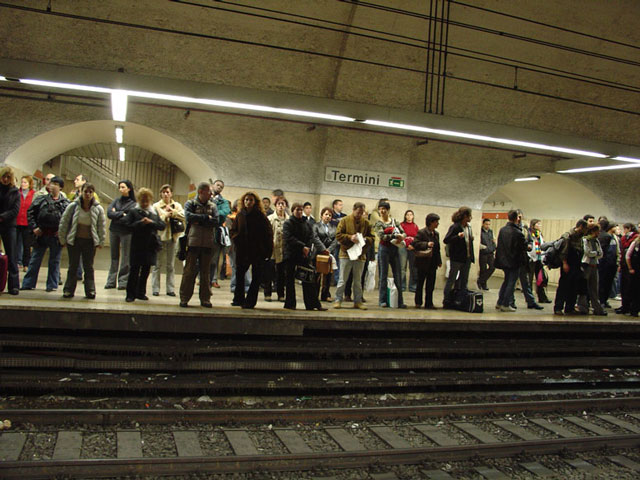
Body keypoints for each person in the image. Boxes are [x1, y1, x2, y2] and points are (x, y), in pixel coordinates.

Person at [21, 175, 69, 292]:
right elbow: (31, 214)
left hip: (55, 236)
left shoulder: (65, 203)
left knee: (55, 261)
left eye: (55, 184)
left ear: (61, 188)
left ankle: (52, 285)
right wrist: (34, 228)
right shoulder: (40, 200)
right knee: (35, 259)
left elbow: (69, 220)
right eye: (51, 184)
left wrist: (62, 232)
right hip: (41, 234)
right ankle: (28, 283)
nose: (52, 186)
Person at [58, 183, 106, 299]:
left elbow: (101, 226)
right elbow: (64, 223)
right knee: (73, 266)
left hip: (89, 241)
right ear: (81, 192)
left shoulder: (98, 208)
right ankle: (68, 290)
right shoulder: (73, 206)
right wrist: (62, 239)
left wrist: (101, 241)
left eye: (90, 192)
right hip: (74, 240)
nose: (88, 194)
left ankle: (90, 290)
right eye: (85, 191)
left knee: (88, 266)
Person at [230, 191, 273, 309]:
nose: (248, 202)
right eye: (246, 200)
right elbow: (233, 230)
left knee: (256, 276)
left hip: (257, 250)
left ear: (255, 202)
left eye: (251, 200)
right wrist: (237, 239)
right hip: (242, 250)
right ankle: (238, 298)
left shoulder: (260, 216)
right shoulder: (240, 215)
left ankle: (250, 301)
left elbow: (268, 233)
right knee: (239, 274)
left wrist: (267, 251)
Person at [179, 182, 218, 308]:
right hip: (193, 242)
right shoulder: (190, 204)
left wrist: (199, 220)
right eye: (208, 192)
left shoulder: (213, 206)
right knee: (189, 272)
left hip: (207, 243)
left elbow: (216, 221)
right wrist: (206, 218)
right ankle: (184, 298)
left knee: (205, 273)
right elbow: (189, 217)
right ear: (201, 192)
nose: (211, 194)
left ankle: (205, 299)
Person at [283, 202, 327, 311]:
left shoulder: (306, 223)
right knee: (289, 281)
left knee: (308, 279)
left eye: (300, 210)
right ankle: (290, 304)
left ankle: (312, 304)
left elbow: (310, 237)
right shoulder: (288, 223)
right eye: (297, 210)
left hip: (304, 255)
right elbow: (288, 237)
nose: (299, 212)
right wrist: (302, 246)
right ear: (293, 211)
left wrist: (307, 247)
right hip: (291, 254)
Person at [123, 188, 165, 303]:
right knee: (134, 270)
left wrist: (151, 222)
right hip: (137, 245)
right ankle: (130, 294)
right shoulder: (134, 212)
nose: (145, 203)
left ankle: (141, 292)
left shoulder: (153, 212)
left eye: (147, 201)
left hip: (150, 245)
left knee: (146, 270)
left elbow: (162, 225)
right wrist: (140, 223)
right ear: (138, 200)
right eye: (143, 201)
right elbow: (127, 225)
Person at [333, 202, 374, 310]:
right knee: (342, 279)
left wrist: (365, 239)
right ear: (353, 209)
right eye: (358, 212)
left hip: (360, 255)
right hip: (346, 253)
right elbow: (338, 235)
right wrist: (350, 237)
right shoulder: (344, 220)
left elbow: (372, 237)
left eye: (362, 213)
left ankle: (358, 301)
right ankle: (338, 299)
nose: (359, 214)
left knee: (358, 280)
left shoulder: (366, 223)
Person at [151, 184, 184, 297]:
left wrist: (173, 212)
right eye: (164, 192)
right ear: (161, 194)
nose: (166, 194)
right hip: (159, 237)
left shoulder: (177, 205)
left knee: (170, 265)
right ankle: (155, 288)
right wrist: (165, 214)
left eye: (168, 192)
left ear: (171, 193)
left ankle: (170, 289)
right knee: (157, 264)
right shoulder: (156, 206)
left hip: (173, 238)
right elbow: (155, 220)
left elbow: (183, 216)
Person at [494, 210, 531, 312]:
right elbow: (524, 247)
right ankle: (505, 304)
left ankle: (499, 302)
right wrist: (529, 245)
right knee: (511, 283)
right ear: (517, 218)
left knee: (506, 281)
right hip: (515, 261)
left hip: (504, 260)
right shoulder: (518, 233)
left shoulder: (502, 230)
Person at [374, 201, 407, 308]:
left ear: (388, 210)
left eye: (384, 209)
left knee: (398, 274)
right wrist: (394, 235)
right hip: (384, 250)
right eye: (380, 209)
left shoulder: (395, 221)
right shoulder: (378, 223)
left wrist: (401, 236)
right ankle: (382, 300)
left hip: (395, 249)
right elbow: (382, 236)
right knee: (383, 275)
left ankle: (399, 301)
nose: (382, 211)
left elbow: (404, 232)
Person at [105, 180, 136, 290]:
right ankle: (111, 281)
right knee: (114, 256)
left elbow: (128, 218)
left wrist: (116, 213)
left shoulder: (134, 203)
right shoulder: (116, 201)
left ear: (129, 188)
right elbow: (109, 213)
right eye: (120, 187)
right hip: (114, 230)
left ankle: (123, 281)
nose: (121, 189)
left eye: (123, 187)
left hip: (126, 232)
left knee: (125, 257)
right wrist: (121, 213)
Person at [554, 219, 588, 315]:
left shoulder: (580, 237)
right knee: (563, 286)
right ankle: (558, 307)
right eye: (585, 229)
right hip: (568, 264)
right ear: (581, 227)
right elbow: (563, 252)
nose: (586, 231)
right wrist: (564, 263)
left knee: (574, 287)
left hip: (576, 264)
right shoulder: (568, 236)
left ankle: (570, 307)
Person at [443, 206, 474, 303]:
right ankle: (447, 299)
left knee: (464, 280)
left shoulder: (469, 227)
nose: (470, 218)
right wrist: (457, 237)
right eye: (469, 216)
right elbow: (446, 240)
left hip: (467, 257)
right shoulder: (455, 227)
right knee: (452, 279)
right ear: (465, 216)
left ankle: (460, 300)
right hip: (457, 258)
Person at [413, 213, 442, 309]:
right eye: (436, 222)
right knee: (420, 283)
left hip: (433, 263)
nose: (437, 224)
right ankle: (418, 302)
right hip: (423, 262)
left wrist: (439, 260)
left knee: (430, 284)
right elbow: (415, 243)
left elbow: (438, 249)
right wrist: (426, 244)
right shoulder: (422, 232)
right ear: (431, 222)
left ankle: (429, 303)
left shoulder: (436, 234)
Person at [577, 223, 606, 316]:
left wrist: (595, 253)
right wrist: (596, 253)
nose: (599, 233)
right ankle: (583, 307)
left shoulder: (596, 241)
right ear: (593, 231)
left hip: (594, 265)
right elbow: (587, 252)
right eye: (597, 231)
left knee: (594, 289)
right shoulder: (585, 240)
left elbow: (601, 253)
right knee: (584, 287)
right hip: (586, 265)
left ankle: (597, 308)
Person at [0, 166, 20, 295]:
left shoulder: (15, 192)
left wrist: (2, 217)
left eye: (8, 177)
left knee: (12, 255)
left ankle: (13, 285)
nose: (6, 179)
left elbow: (15, 210)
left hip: (9, 226)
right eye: (4, 177)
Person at [265, 196, 289, 302]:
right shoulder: (270, 218)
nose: (281, 206)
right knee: (269, 272)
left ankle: (281, 294)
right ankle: (267, 293)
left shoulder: (289, 220)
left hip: (283, 251)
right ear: (275, 206)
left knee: (281, 274)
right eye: (279, 204)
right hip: (271, 250)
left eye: (283, 204)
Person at [210, 179, 231, 289]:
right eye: (217, 185)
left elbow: (225, 212)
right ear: (212, 185)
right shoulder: (205, 197)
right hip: (204, 231)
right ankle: (202, 278)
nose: (219, 187)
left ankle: (213, 279)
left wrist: (213, 214)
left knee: (215, 258)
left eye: (221, 187)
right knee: (202, 257)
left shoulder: (224, 202)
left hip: (216, 231)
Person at [314, 207, 337, 302]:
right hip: (318, 252)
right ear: (322, 215)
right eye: (326, 214)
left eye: (330, 215)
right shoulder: (316, 226)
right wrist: (323, 249)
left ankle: (325, 294)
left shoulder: (333, 227)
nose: (328, 216)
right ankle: (314, 294)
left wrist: (329, 250)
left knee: (327, 275)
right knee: (317, 275)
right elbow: (315, 238)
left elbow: (336, 240)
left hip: (329, 253)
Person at [616, 223, 638, 315]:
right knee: (626, 287)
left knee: (630, 288)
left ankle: (630, 307)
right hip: (629, 267)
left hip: (632, 267)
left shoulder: (635, 239)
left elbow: (627, 255)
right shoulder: (631, 240)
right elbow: (626, 254)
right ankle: (627, 307)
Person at [527, 219, 551, 303]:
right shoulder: (529, 234)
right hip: (531, 258)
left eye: (540, 224)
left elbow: (542, 245)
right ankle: (530, 299)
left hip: (539, 258)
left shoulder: (539, 234)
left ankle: (542, 297)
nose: (539, 226)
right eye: (537, 224)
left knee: (540, 279)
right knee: (529, 279)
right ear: (533, 225)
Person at [16, 175, 35, 272]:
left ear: (29, 184)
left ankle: (26, 263)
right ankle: (17, 262)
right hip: (17, 221)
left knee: (26, 245)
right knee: (16, 244)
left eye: (25, 182)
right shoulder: (17, 193)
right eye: (22, 182)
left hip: (27, 223)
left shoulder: (33, 194)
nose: (23, 184)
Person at [598, 222, 619, 309]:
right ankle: (602, 300)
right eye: (616, 227)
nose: (618, 229)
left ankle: (605, 300)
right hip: (606, 264)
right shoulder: (606, 237)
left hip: (612, 264)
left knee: (609, 284)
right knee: (603, 283)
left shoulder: (615, 238)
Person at [399, 209, 418, 293]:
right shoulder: (401, 225)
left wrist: (413, 246)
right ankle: (402, 286)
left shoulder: (415, 226)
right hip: (403, 247)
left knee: (413, 267)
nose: (409, 216)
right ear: (405, 216)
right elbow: (400, 236)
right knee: (402, 267)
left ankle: (412, 286)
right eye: (407, 215)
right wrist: (407, 244)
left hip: (412, 248)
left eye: (411, 215)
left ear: (413, 216)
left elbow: (417, 238)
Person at [477, 218, 496, 291]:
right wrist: (483, 247)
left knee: (492, 267)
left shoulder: (491, 232)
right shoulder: (480, 232)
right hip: (483, 252)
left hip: (490, 252)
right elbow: (478, 242)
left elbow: (493, 240)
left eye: (489, 224)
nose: (488, 226)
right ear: (483, 224)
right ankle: (483, 284)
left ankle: (480, 280)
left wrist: (493, 247)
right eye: (486, 224)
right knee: (483, 269)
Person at [625, 235, 640, 317]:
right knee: (635, 291)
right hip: (636, 271)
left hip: (636, 270)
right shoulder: (635, 243)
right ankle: (633, 309)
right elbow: (627, 256)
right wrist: (630, 268)